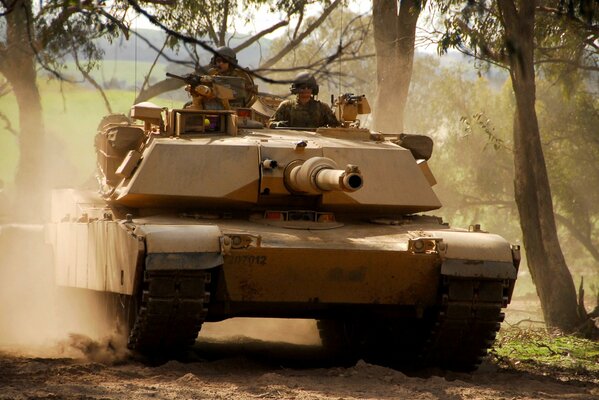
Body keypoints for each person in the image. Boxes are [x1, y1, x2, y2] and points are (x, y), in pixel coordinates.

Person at [268, 72, 340, 128]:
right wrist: (277, 124)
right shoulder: (286, 106)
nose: (306, 89)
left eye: (309, 87)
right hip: (291, 141)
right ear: (296, 89)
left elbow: (336, 126)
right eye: (302, 87)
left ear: (313, 89)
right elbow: (270, 123)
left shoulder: (323, 108)